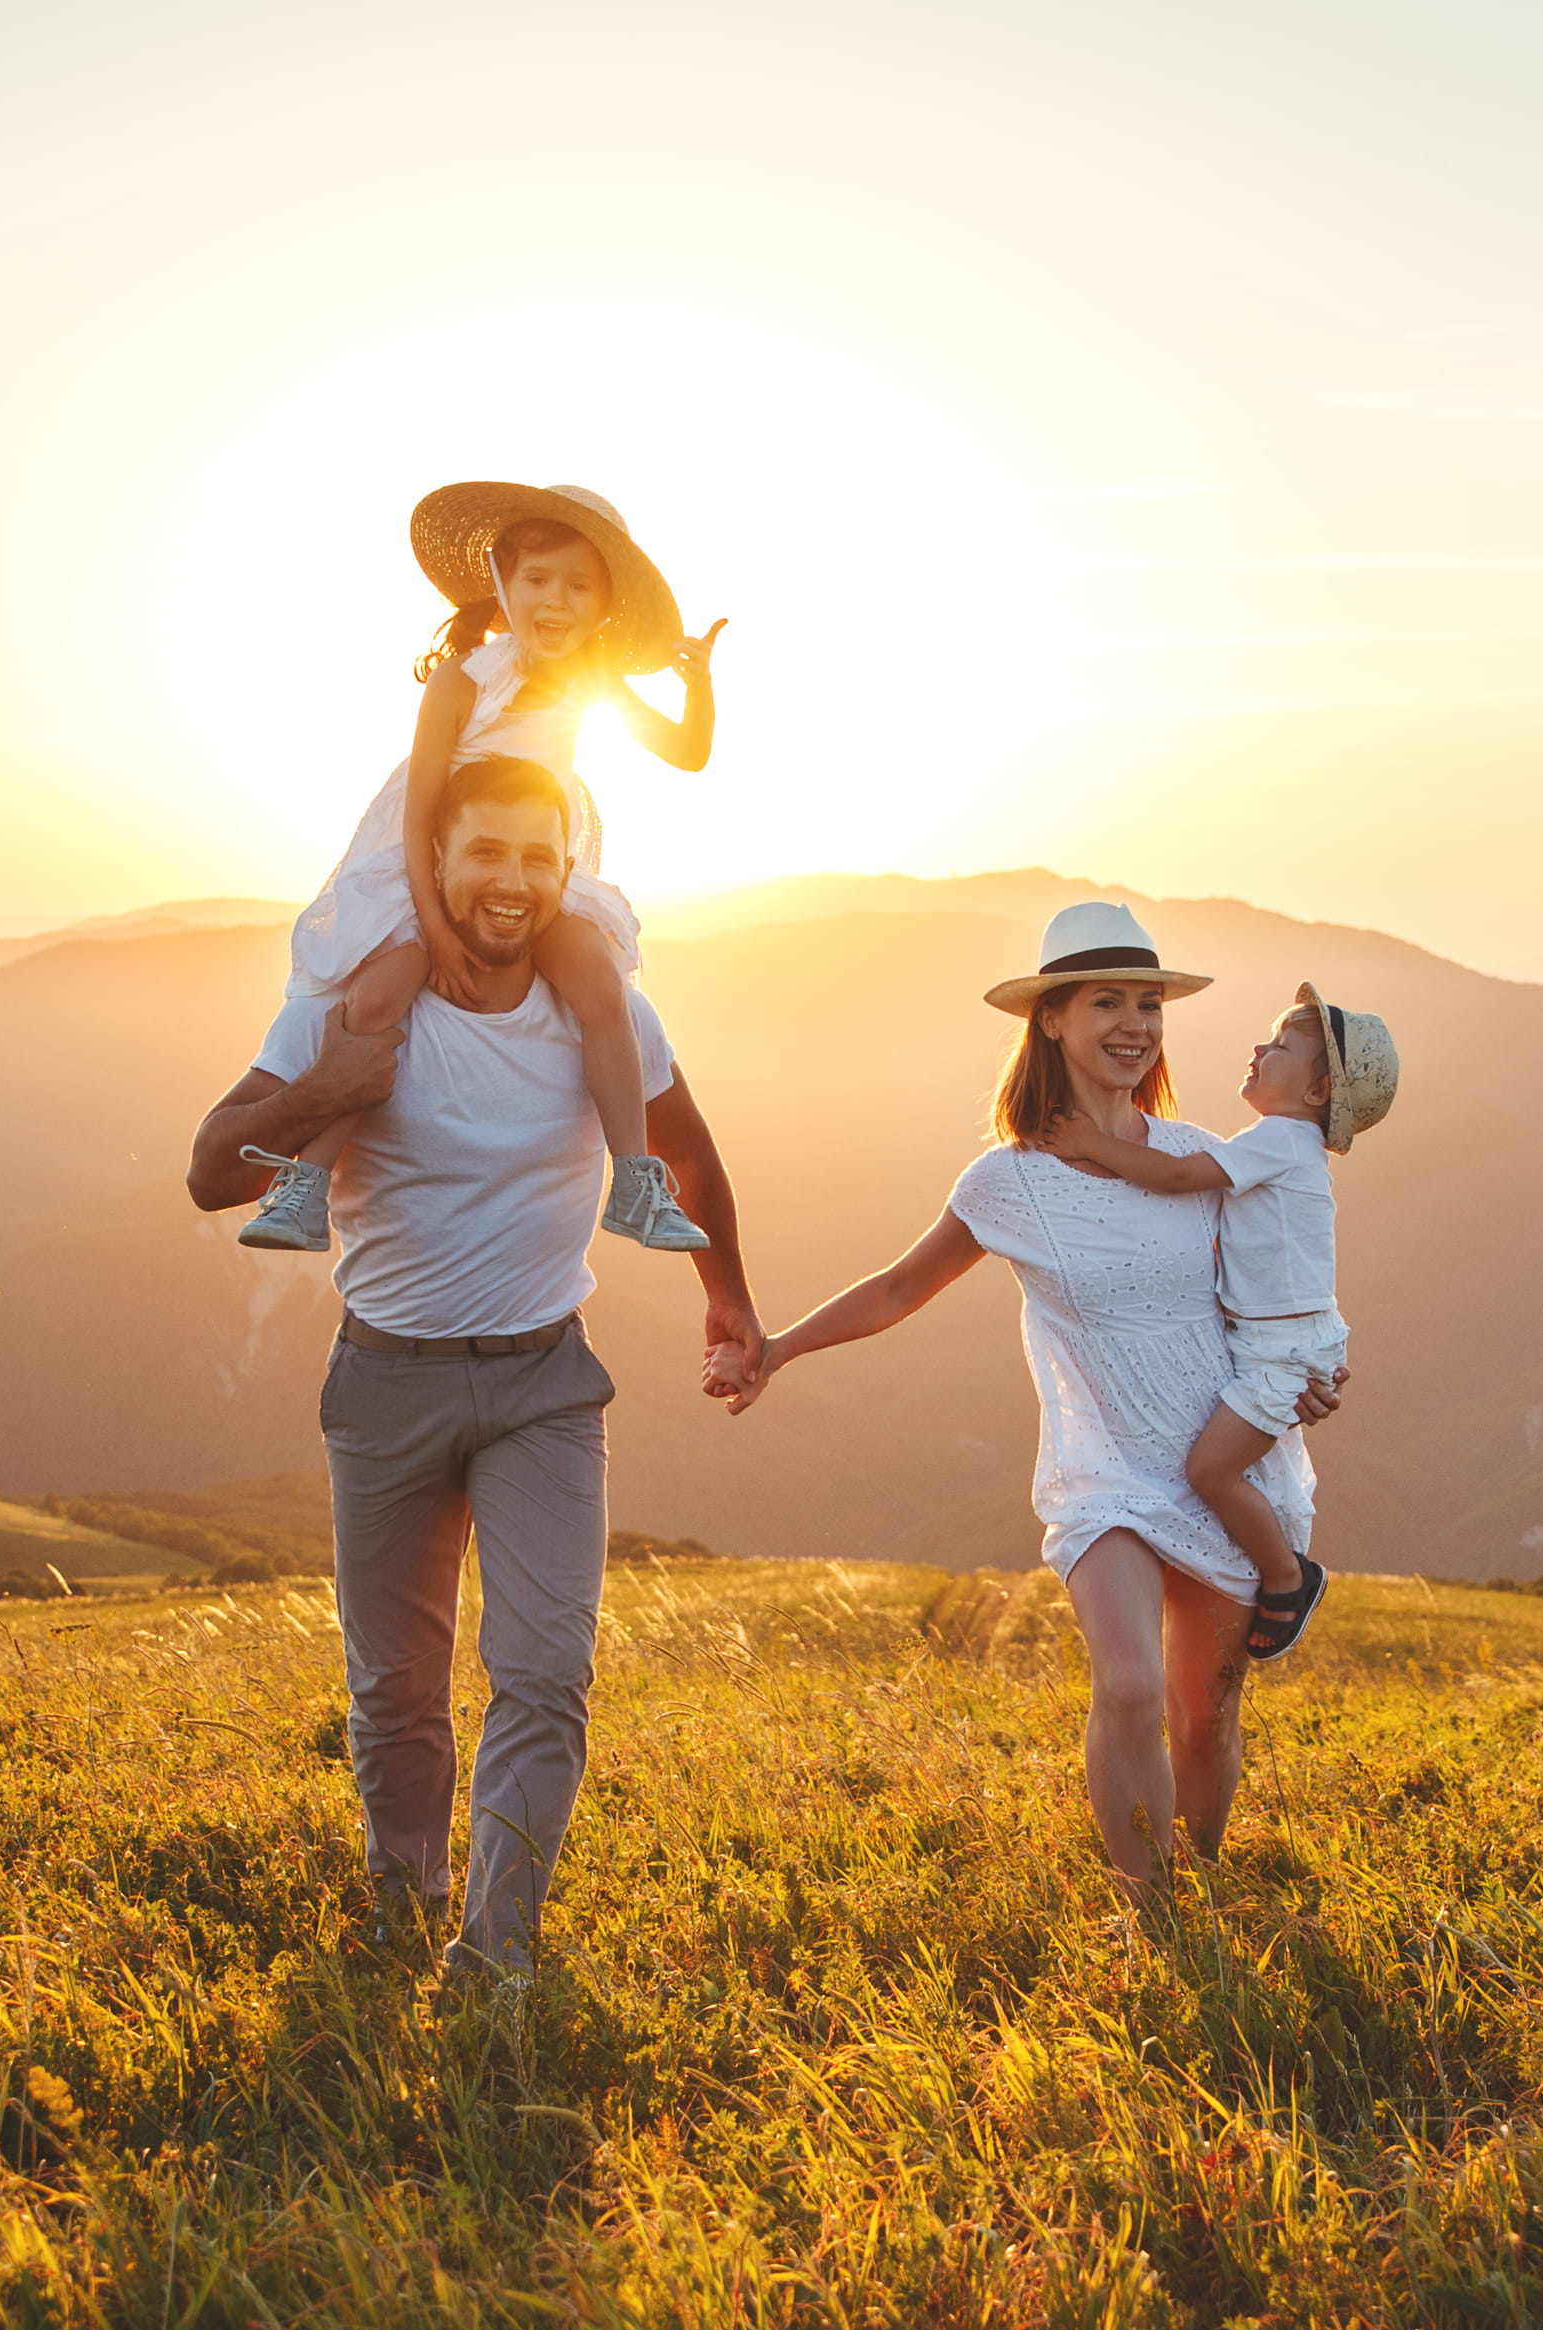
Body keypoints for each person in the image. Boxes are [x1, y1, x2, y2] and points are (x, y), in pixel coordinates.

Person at [185, 754, 760, 1990]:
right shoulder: (356, 1006)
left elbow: (692, 1150)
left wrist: (729, 1304)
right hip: (385, 1383)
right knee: (394, 1693)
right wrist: (330, 1089)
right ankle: (406, 1896)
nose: (512, 882)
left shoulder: (598, 1009)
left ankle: (493, 1949)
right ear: (433, 864)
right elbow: (206, 1171)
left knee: (545, 1673)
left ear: (570, 870)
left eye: (538, 857)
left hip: (545, 1383)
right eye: (486, 853)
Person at [716, 903, 1342, 1892]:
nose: (1136, 1024)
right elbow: (895, 1288)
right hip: (1105, 1469)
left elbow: (1276, 1288)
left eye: (1149, 1004)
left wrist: (1311, 1371)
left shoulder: (1199, 1158)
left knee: (1205, 1708)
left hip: (1221, 1460)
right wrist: (778, 1349)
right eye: (1108, 1003)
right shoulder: (1007, 1180)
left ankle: (1200, 1882)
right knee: (1131, 1687)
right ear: (1051, 1019)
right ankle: (1151, 1913)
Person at [232, 480, 723, 1261]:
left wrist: (697, 686)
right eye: (537, 580)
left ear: (602, 605)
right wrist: (432, 927)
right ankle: (307, 1185)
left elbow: (688, 753)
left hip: (531, 871)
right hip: (431, 867)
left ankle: (634, 1180)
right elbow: (419, 815)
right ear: (502, 583)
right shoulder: (462, 682)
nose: (555, 600)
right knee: (379, 994)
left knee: (600, 984)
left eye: (577, 584)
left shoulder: (593, 685)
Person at [1039, 981, 1396, 1661]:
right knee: (1213, 1468)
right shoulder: (1288, 1148)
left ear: (1317, 1093)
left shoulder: (1280, 1140)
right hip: (1287, 1343)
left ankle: (1289, 1576)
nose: (1262, 1046)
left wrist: (1090, 1143)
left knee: (1209, 1471)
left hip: (1281, 1351)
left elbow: (1177, 1178)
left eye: (1284, 1045)